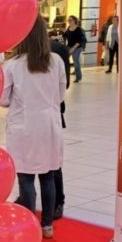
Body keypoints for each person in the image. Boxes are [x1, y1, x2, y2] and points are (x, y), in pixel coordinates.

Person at [1, 15, 66, 239]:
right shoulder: (56, 61)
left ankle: (28, 223)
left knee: (26, 177)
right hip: (48, 126)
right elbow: (60, 95)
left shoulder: (12, 66)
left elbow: (3, 100)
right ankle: (47, 224)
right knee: (48, 175)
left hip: (24, 127)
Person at [50, 34, 71, 220]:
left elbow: (64, 85)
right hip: (30, 116)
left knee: (53, 161)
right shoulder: (23, 54)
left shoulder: (56, 52)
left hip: (52, 111)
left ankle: (58, 201)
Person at [63, 15, 86, 83]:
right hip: (70, 46)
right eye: (68, 20)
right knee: (64, 59)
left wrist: (73, 49)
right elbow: (64, 35)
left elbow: (79, 41)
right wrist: (55, 37)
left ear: (74, 21)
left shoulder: (78, 29)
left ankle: (78, 77)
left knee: (75, 60)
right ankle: (64, 75)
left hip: (78, 47)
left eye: (70, 20)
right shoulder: (69, 27)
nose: (69, 21)